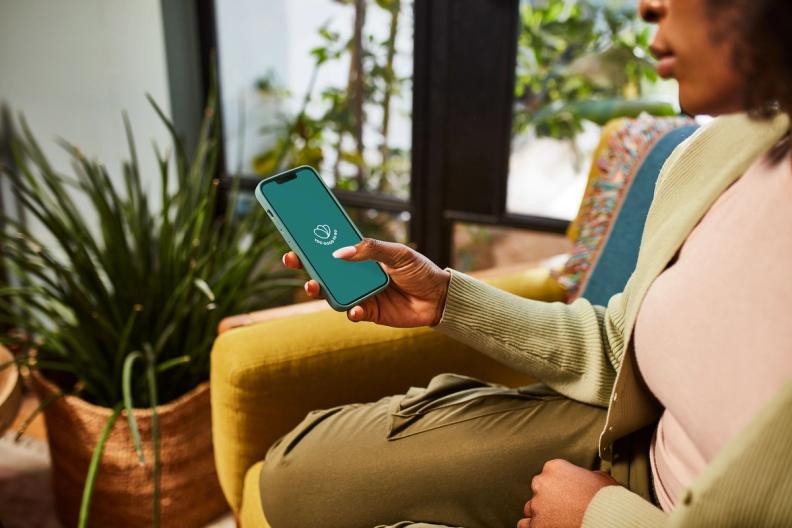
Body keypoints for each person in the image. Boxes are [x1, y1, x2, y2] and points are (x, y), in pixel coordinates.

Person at [259, 0, 792, 526]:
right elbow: (616, 344)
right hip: (635, 439)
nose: (650, 6)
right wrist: (446, 297)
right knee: (290, 479)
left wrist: (601, 516)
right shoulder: (727, 146)